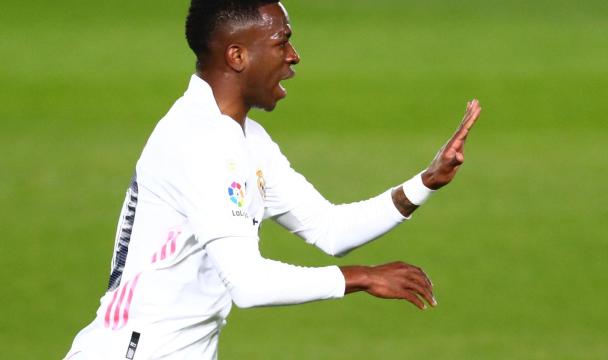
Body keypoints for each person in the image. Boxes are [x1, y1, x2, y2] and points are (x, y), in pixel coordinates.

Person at [64, 0, 481, 359]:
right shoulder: (201, 141)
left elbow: (329, 228)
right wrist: (363, 276)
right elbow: (248, 284)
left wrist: (424, 183)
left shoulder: (244, 137)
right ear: (237, 56)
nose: (294, 55)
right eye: (282, 41)